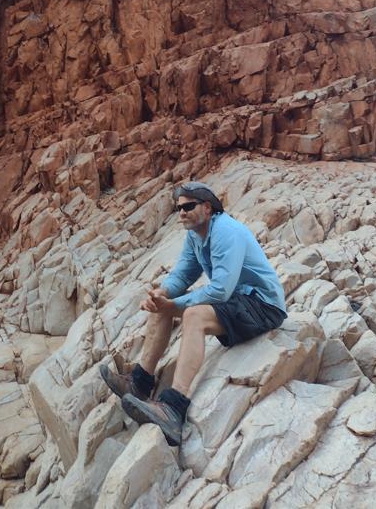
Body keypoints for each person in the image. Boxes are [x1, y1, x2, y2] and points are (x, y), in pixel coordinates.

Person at [99, 181, 287, 445]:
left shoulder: (225, 232)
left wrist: (176, 305)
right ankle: (139, 384)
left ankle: (174, 408)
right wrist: (162, 295)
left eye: (188, 206)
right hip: (239, 303)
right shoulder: (196, 235)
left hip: (263, 305)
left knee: (192, 315)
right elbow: (183, 274)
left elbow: (221, 290)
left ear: (207, 207)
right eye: (179, 208)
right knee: (164, 303)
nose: (182, 213)